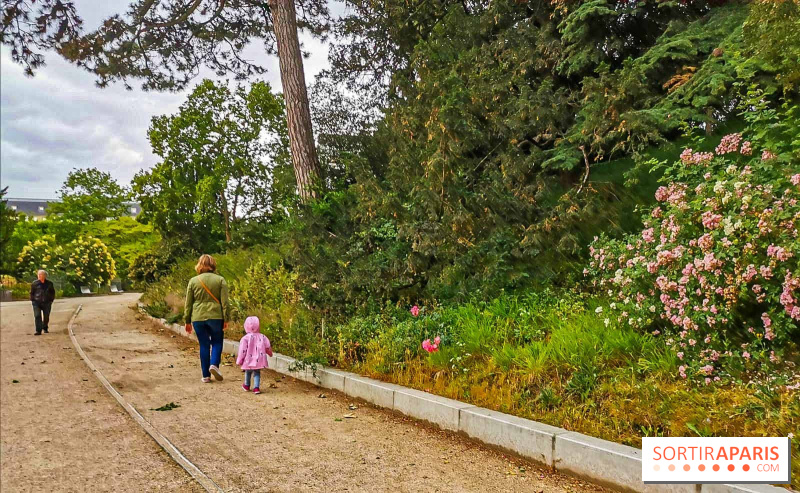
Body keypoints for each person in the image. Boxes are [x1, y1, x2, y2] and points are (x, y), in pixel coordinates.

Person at [184, 254, 230, 383]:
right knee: (217, 342)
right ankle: (214, 364)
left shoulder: (193, 281)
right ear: (213, 265)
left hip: (197, 317)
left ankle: (206, 376)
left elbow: (188, 303)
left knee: (204, 345)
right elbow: (225, 302)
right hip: (216, 316)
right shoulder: (220, 280)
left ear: (199, 265)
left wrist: (187, 320)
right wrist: (226, 318)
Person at [236, 316, 273, 394]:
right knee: (257, 373)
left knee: (248, 372)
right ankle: (256, 387)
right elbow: (267, 346)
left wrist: (239, 360)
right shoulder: (263, 337)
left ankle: (246, 385)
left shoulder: (245, 338)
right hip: (259, 360)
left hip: (248, 360)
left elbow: (242, 350)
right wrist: (270, 353)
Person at [30, 270, 55, 336]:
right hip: (37, 302)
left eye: (41, 274)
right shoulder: (34, 283)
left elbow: (52, 292)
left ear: (45, 276)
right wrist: (33, 300)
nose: (39, 276)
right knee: (37, 316)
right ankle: (38, 330)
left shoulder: (49, 283)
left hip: (47, 302)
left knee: (46, 316)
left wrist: (51, 300)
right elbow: (32, 293)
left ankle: (45, 327)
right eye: (38, 274)